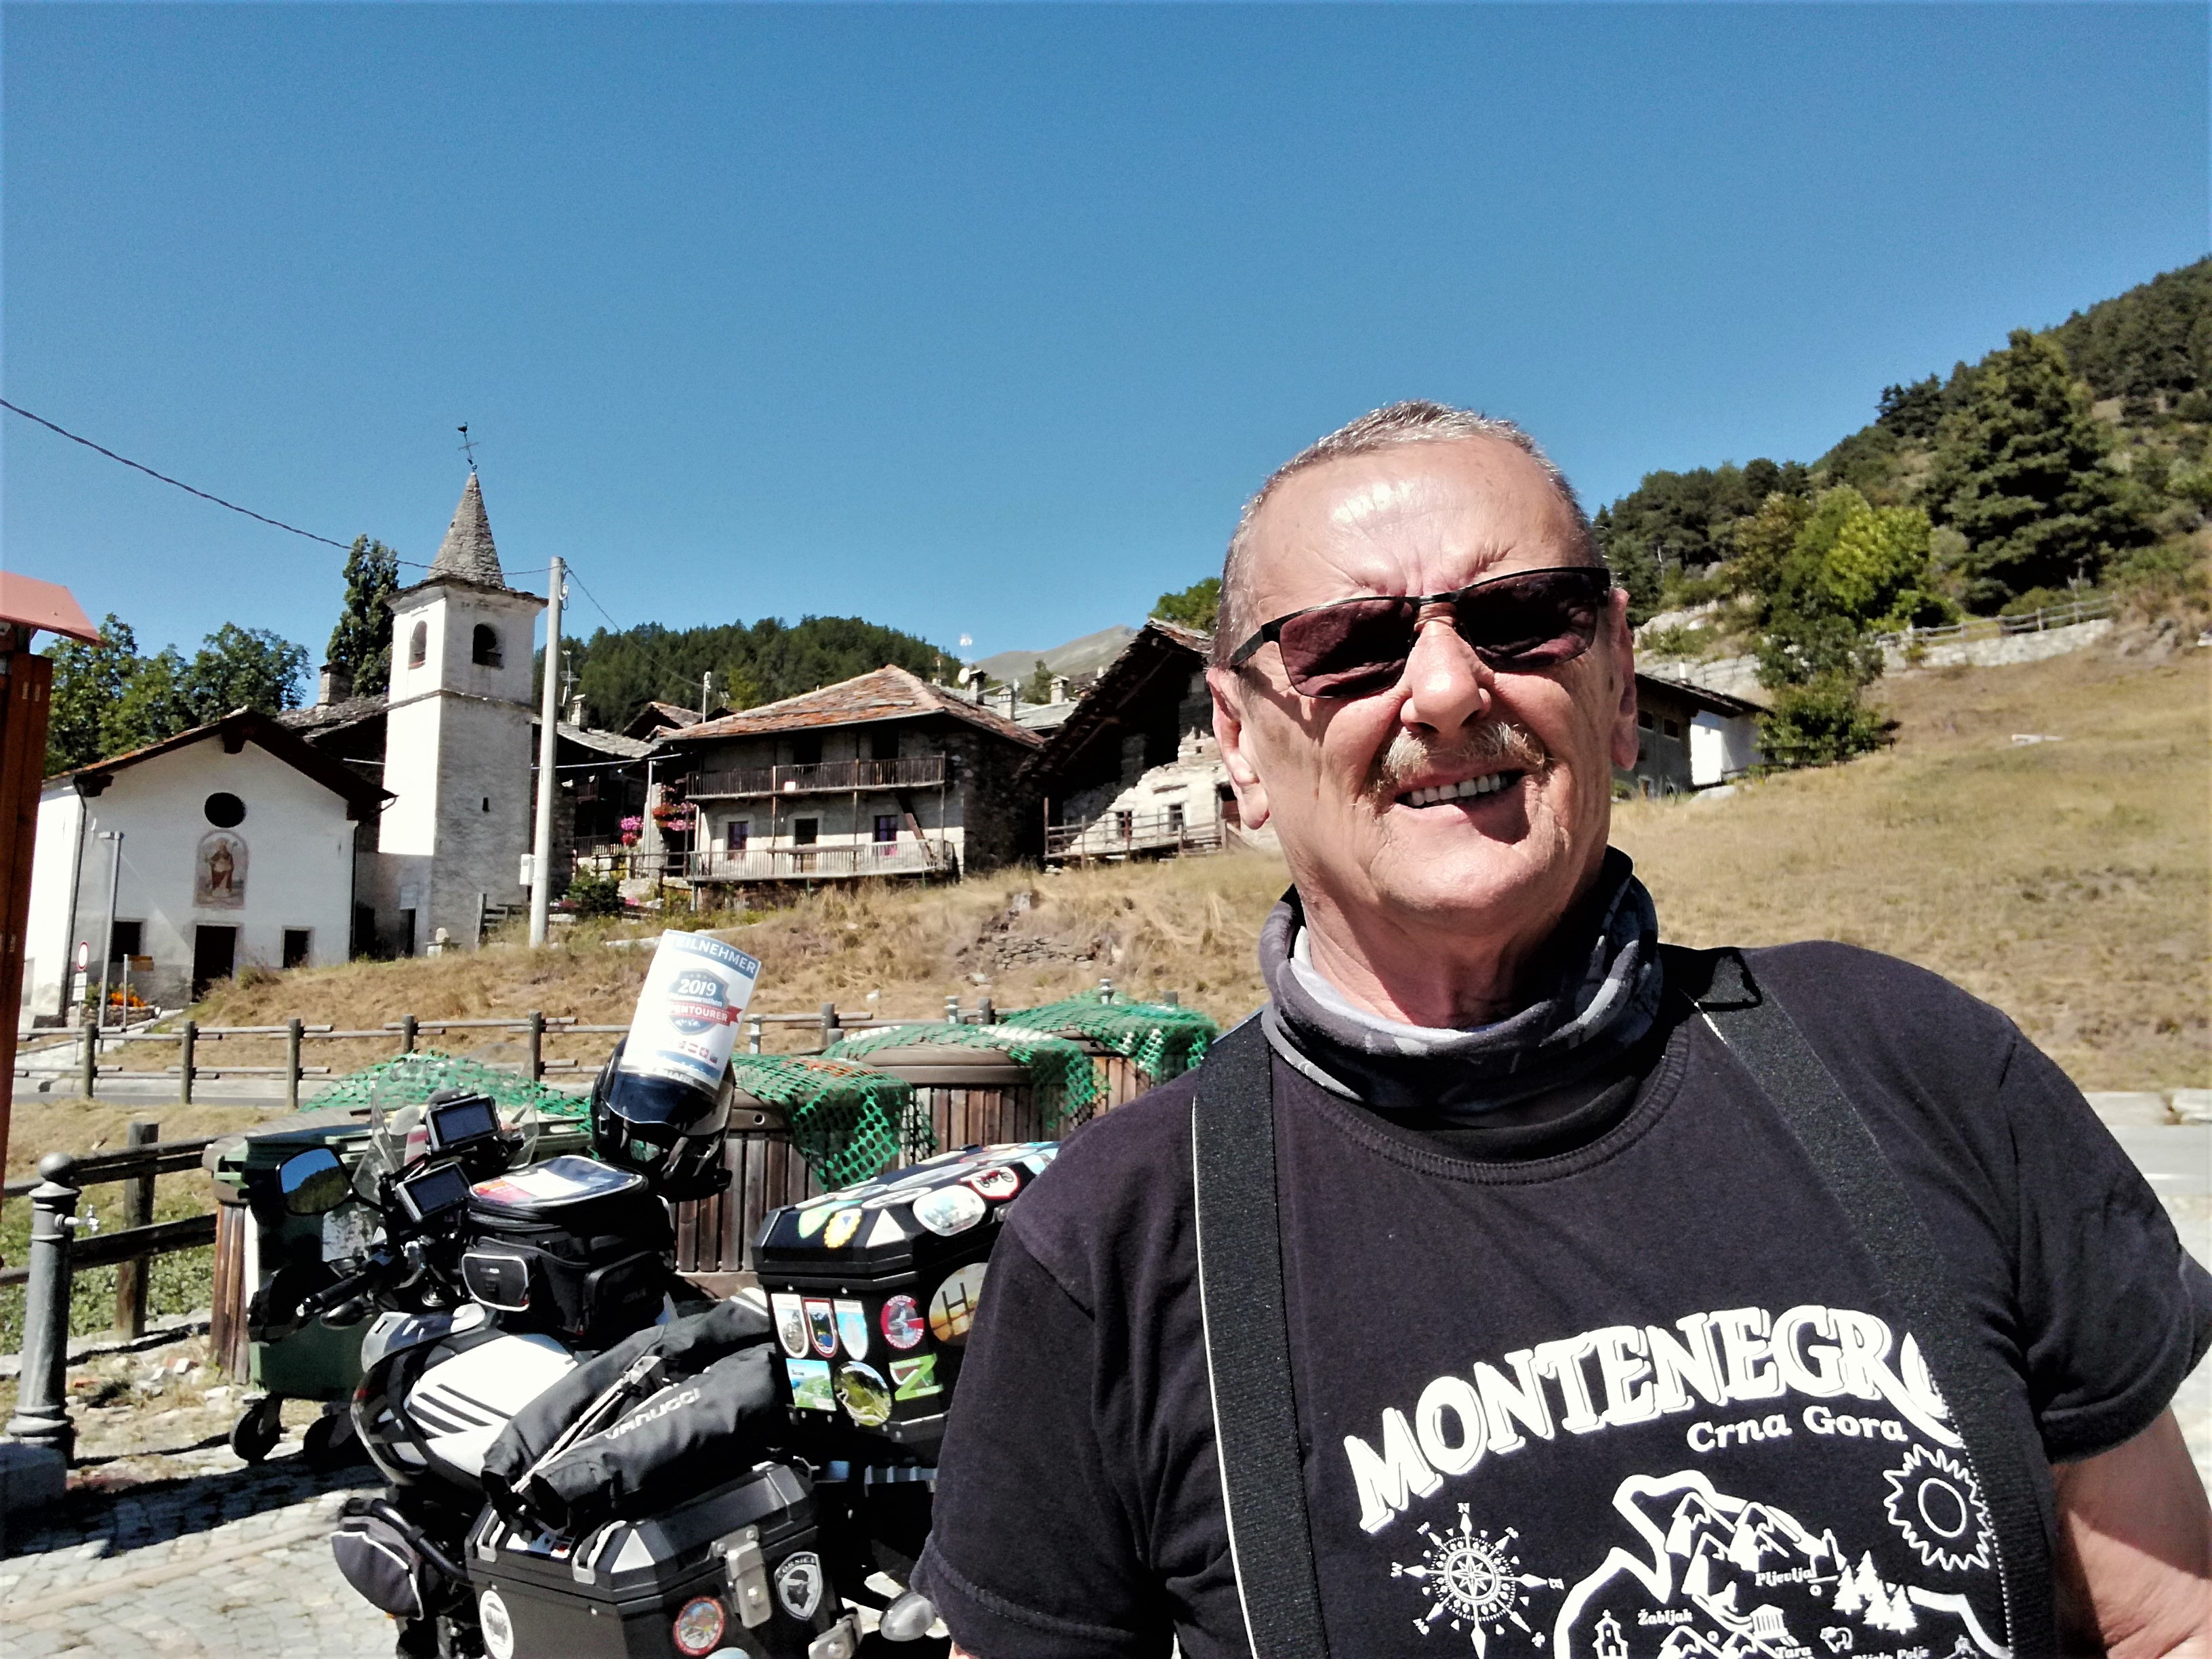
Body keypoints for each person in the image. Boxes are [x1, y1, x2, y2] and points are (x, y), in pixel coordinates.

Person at [914, 402, 2212, 1659]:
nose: (1445, 688)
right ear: (1240, 746)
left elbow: (2169, 1623)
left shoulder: (1919, 1065)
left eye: (1522, 615)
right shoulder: (1115, 1245)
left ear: (1618, 679)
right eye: (1348, 644)